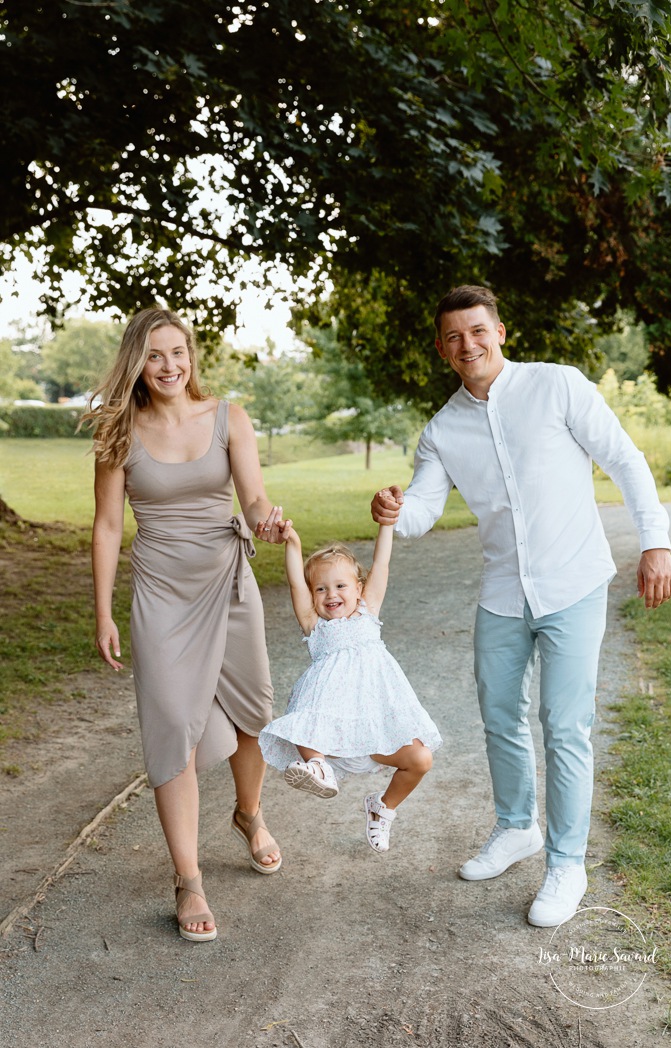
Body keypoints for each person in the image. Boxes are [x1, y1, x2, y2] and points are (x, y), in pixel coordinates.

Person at [371, 285, 671, 926]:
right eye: (454, 337)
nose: (468, 345)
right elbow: (425, 509)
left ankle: (567, 863)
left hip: (575, 584)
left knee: (565, 728)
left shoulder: (557, 385)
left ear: (500, 331)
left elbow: (623, 458)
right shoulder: (441, 430)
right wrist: (397, 512)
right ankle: (517, 829)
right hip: (503, 594)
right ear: (441, 349)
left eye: (478, 331)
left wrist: (656, 543)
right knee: (499, 716)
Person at [84, 307, 288, 943]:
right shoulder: (121, 432)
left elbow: (251, 497)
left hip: (228, 584)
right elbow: (109, 526)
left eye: (179, 352)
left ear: (192, 357)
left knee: (253, 713)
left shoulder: (229, 417)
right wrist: (103, 610)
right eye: (154, 355)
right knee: (173, 723)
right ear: (136, 363)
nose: (169, 366)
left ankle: (249, 814)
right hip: (162, 594)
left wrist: (265, 519)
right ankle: (189, 878)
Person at [257, 514, 442, 852]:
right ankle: (318, 765)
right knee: (304, 720)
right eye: (321, 588)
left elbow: (381, 564)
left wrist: (386, 524)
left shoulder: (368, 611)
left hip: (373, 727)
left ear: (359, 588)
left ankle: (382, 808)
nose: (331, 594)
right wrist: (293, 542)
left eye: (341, 586)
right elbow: (295, 583)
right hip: (330, 731)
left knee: (421, 760)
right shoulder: (316, 626)